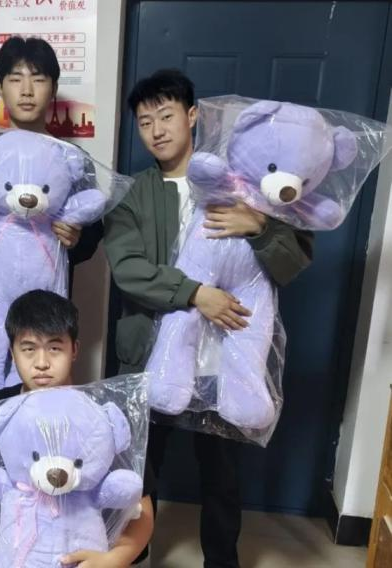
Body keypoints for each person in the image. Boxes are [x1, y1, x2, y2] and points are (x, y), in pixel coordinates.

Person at [104, 69, 313, 568]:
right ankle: (132, 557)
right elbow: (127, 268)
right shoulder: (133, 194)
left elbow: (294, 261)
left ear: (192, 115)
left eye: (166, 115)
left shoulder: (249, 186)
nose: (156, 130)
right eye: (145, 121)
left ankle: (222, 561)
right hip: (152, 357)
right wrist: (196, 294)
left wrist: (259, 226)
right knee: (139, 472)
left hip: (227, 359)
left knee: (222, 477)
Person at [0, 290, 155, 568]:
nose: (41, 363)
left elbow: (143, 509)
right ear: (12, 352)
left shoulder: (98, 414)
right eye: (28, 349)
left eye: (54, 348)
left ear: (74, 349)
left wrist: (111, 560)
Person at [0, 35, 102, 278]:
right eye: (15, 79)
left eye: (38, 79)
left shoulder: (72, 159)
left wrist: (76, 239)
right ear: (0, 88)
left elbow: (91, 238)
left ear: (53, 89)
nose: (27, 91)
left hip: (49, 290)